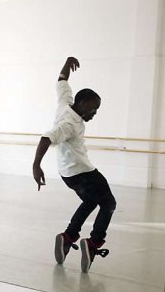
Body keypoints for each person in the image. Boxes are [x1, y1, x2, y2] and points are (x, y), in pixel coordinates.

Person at [32, 56, 115, 273]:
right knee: (108, 203)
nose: (94, 114)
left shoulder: (66, 103)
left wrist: (67, 64)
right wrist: (36, 166)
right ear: (83, 104)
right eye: (93, 109)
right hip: (82, 171)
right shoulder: (69, 124)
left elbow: (61, 81)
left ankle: (68, 237)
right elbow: (46, 138)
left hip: (67, 173)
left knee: (90, 201)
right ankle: (93, 243)